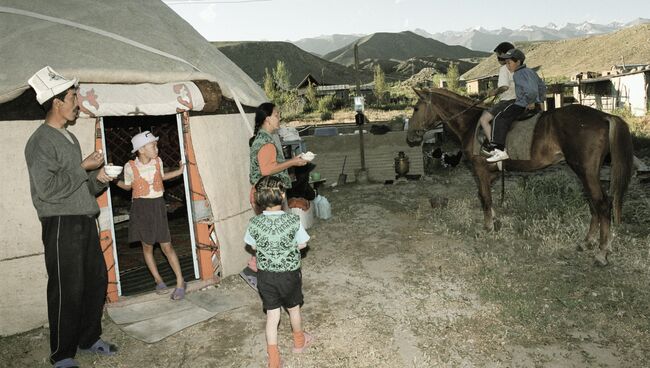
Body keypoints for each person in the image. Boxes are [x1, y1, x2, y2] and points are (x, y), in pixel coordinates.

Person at [25, 66, 118, 368]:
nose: (78, 103)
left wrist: (100, 178)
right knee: (67, 287)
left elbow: (83, 187)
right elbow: (48, 189)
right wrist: (83, 167)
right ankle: (62, 355)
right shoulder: (40, 141)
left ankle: (89, 339)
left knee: (95, 281)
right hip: (61, 222)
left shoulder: (70, 138)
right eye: (73, 97)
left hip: (83, 218)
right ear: (56, 102)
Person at [244, 176, 314, 368]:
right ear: (282, 195)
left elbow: (253, 245)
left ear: (259, 199)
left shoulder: (254, 223)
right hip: (289, 274)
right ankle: (299, 342)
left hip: (266, 276)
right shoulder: (292, 220)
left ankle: (274, 359)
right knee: (294, 310)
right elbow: (302, 243)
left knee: (272, 317)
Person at [243, 103, 308, 289]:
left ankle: (268, 272)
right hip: (268, 195)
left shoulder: (264, 138)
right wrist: (293, 162)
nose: (279, 118)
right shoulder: (266, 142)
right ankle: (263, 272)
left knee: (268, 235)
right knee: (274, 234)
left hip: (264, 193)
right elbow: (267, 169)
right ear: (267, 118)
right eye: (277, 115)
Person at [116, 131, 187, 300]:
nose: (157, 148)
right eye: (153, 145)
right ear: (141, 150)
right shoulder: (129, 166)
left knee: (166, 245)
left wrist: (179, 171)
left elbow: (161, 178)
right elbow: (127, 187)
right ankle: (158, 280)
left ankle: (180, 281)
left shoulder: (158, 161)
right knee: (147, 247)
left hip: (157, 206)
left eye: (156, 145)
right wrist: (113, 181)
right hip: (140, 208)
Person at [486, 48, 547, 163]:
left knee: (499, 118)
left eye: (509, 63)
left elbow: (532, 91)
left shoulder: (518, 74)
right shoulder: (531, 71)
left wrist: (530, 101)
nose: (507, 66)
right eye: (506, 63)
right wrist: (539, 101)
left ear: (518, 62)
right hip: (534, 104)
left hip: (522, 104)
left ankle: (499, 150)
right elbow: (542, 87)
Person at [478, 42, 516, 154]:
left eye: (498, 55)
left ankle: (495, 148)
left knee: (484, 119)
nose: (497, 58)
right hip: (520, 100)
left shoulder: (504, 68)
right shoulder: (518, 66)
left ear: (504, 54)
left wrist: (492, 92)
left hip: (508, 100)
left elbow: (504, 87)